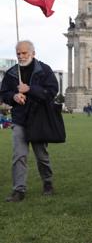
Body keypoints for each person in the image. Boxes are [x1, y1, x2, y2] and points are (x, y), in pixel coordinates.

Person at [0, 40, 58, 202]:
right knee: (19, 155)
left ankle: (47, 182)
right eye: (18, 53)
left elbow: (52, 91)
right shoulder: (12, 73)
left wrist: (30, 89)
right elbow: (3, 93)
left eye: (24, 53)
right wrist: (14, 96)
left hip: (39, 119)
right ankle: (19, 190)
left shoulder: (44, 70)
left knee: (42, 156)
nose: (21, 56)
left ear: (33, 53)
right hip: (19, 119)